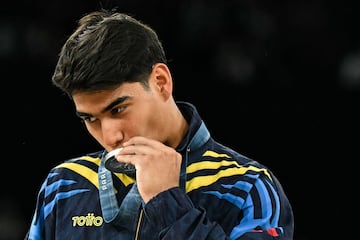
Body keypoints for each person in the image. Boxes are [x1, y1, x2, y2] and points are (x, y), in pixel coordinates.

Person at [24, 9, 294, 240]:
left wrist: (167, 201)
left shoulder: (247, 186)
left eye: (118, 109)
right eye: (90, 119)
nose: (110, 136)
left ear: (161, 82)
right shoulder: (63, 185)